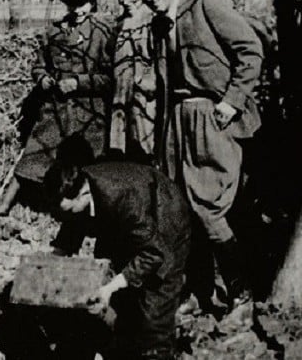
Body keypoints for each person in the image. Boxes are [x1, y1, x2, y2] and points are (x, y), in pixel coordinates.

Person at [131, 0, 264, 313]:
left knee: (209, 207)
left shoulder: (207, 3)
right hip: (176, 122)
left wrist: (231, 101)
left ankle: (239, 292)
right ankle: (198, 291)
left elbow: (251, 51)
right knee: (179, 208)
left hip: (212, 117)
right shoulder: (159, 25)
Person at [43, 135, 191, 359]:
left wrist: (110, 288)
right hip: (129, 226)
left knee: (154, 309)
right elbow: (73, 224)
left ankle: (157, 352)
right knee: (121, 302)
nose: (61, 218)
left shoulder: (121, 198)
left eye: (67, 211)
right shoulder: (80, 188)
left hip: (164, 221)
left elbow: (154, 252)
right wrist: (54, 260)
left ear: (83, 195)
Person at [0, 0, 114, 216]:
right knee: (33, 155)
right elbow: (38, 66)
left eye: (83, 4)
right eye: (73, 4)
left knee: (92, 167)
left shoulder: (102, 34)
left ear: (92, 3)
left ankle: (93, 217)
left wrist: (79, 83)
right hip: (56, 109)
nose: (78, 10)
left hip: (88, 113)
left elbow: (109, 79)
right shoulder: (53, 34)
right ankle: (3, 207)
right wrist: (43, 80)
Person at [109, 0, 159, 165]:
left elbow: (160, 59)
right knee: (121, 153)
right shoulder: (119, 24)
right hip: (120, 98)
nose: (125, 0)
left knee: (145, 152)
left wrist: (147, 82)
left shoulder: (152, 20)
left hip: (145, 100)